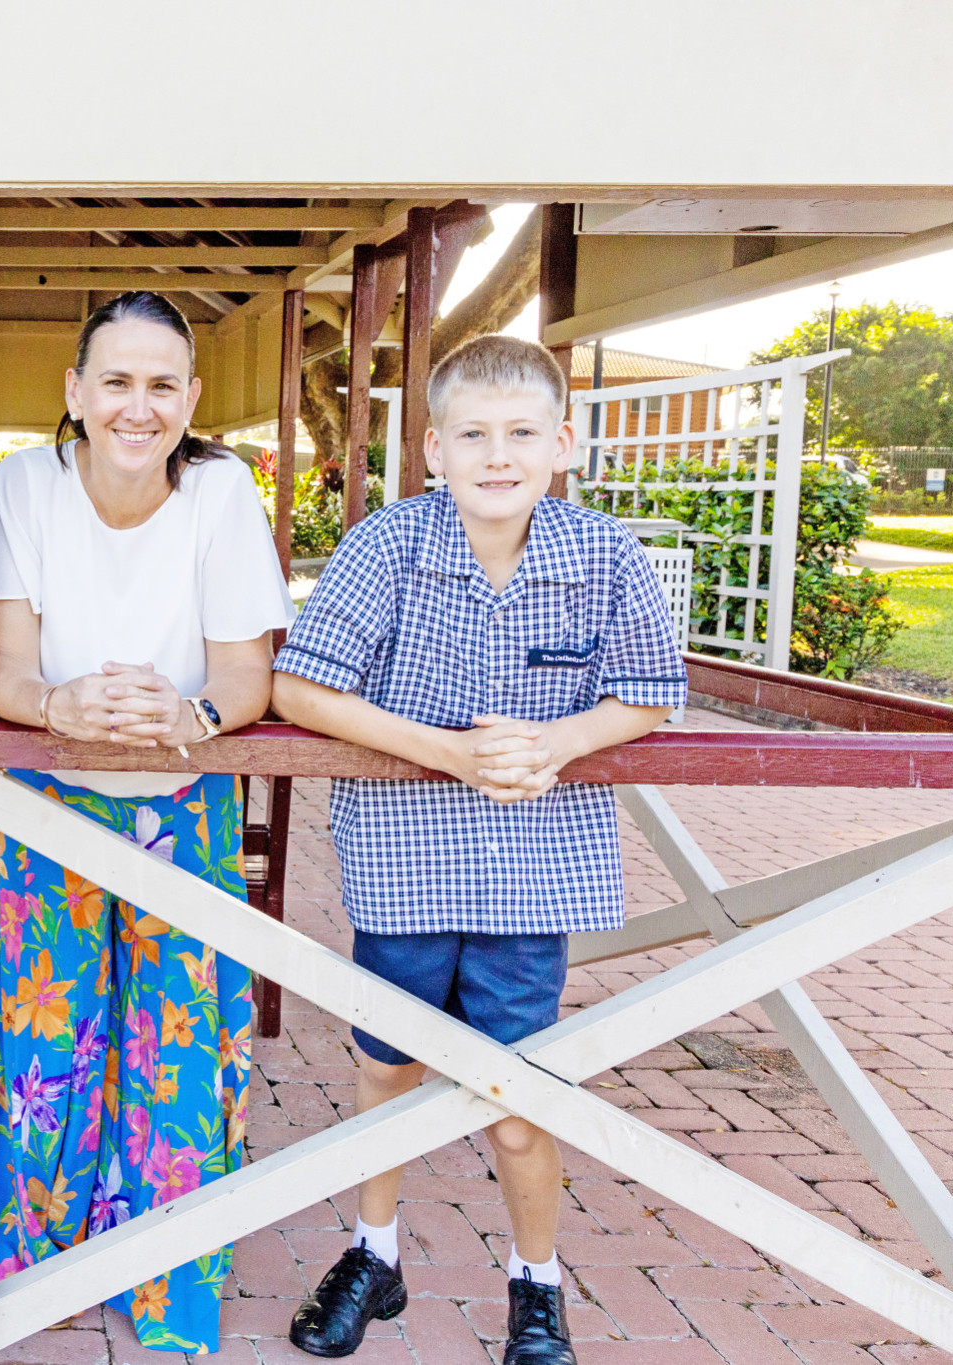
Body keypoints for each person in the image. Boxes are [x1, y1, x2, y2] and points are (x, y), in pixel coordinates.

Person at [271, 335, 687, 1365]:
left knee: (517, 1090)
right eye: (471, 434)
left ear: (562, 443)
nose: (494, 454)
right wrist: (448, 753)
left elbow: (649, 690)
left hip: (532, 867)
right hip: (401, 855)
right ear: (431, 449)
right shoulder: (385, 543)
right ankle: (373, 1254)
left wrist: (560, 739)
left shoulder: (603, 554)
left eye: (517, 434)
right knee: (382, 1065)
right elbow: (300, 688)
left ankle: (533, 1284)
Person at [0, 291, 293, 1353]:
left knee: (179, 1037)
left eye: (161, 384)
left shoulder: (220, 491)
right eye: (114, 380)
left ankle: (164, 1283)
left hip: (184, 790)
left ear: (191, 398)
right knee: (42, 1041)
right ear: (73, 392)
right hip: (49, 789)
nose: (137, 405)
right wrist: (60, 707)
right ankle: (40, 1271)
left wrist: (189, 714)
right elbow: (10, 671)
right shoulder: (20, 484)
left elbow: (247, 673)